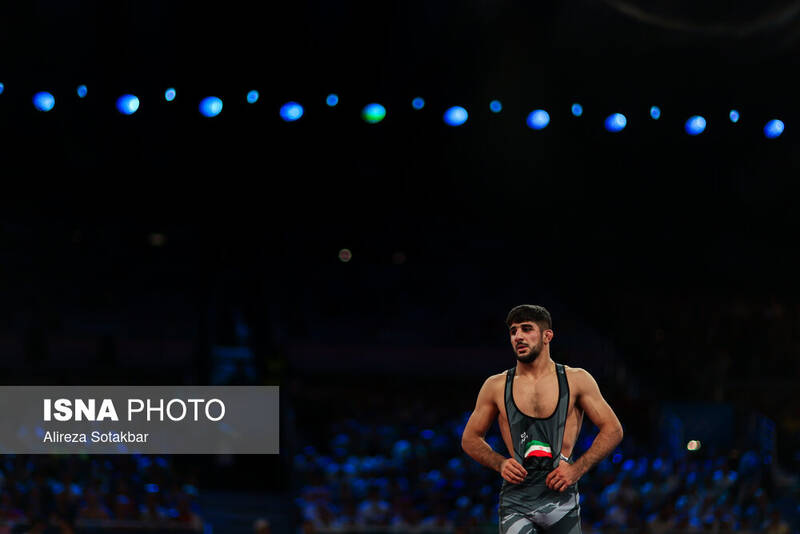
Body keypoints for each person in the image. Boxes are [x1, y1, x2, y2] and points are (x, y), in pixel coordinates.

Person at [461, 304, 623, 533]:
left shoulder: (576, 379)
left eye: (526, 329)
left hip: (561, 500)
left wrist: (577, 469)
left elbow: (613, 429)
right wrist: (500, 463)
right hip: (517, 499)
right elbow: (470, 438)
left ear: (547, 336)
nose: (518, 336)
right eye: (513, 331)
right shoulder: (496, 386)